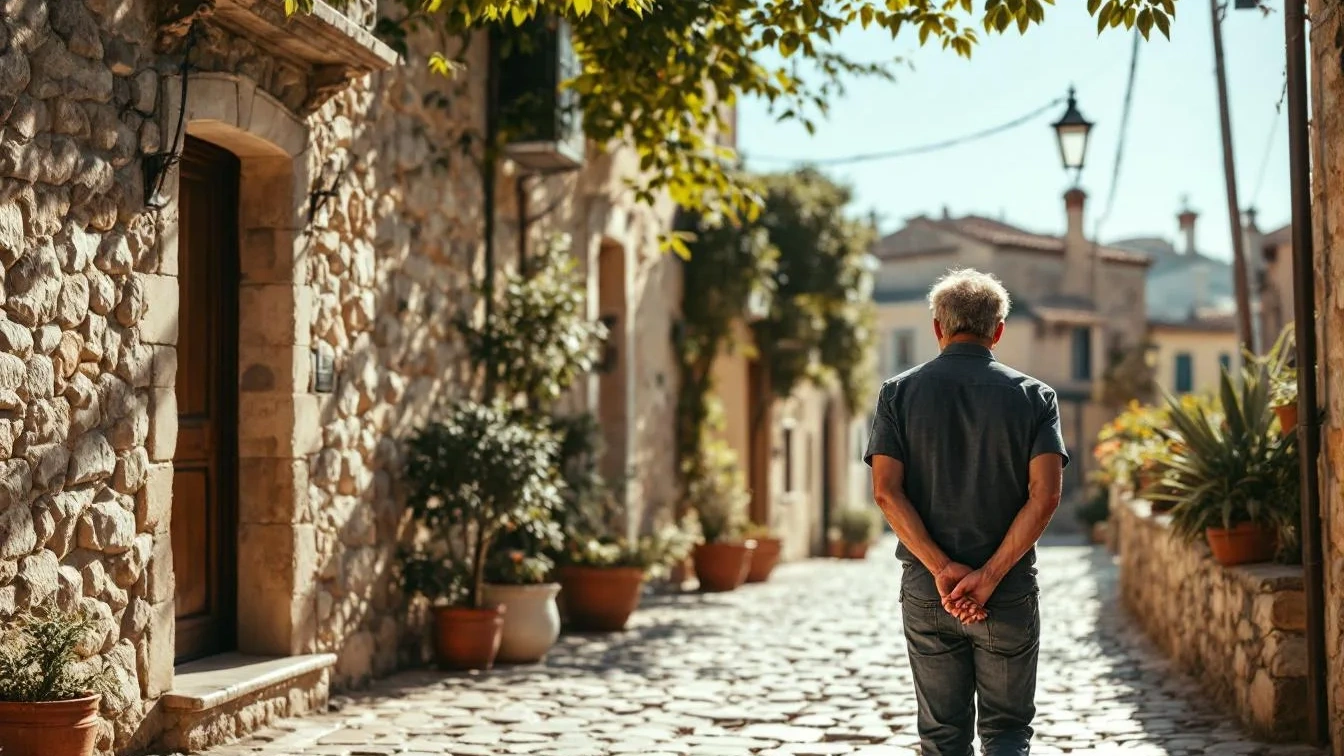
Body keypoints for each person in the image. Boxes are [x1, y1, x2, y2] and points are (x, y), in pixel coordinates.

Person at [864, 268, 1068, 756]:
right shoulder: (1036, 398)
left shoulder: (898, 394)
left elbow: (886, 493)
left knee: (942, 738)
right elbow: (1046, 496)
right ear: (998, 330)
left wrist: (942, 569)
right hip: (1008, 591)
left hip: (928, 590)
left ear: (938, 326)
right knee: (1007, 733)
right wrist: (991, 575)